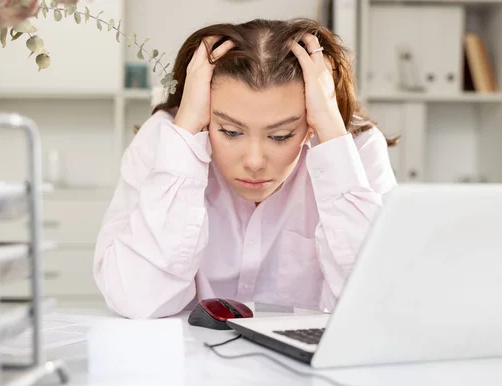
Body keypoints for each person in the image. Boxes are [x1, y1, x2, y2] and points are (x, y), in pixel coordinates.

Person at [93, 18, 397, 319]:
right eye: (230, 131)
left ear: (309, 124)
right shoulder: (164, 141)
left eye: (280, 136)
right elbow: (135, 298)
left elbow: (383, 301)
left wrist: (331, 132)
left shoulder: (356, 149)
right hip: (189, 361)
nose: (254, 161)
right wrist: (186, 133)